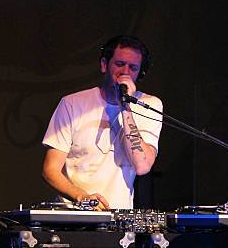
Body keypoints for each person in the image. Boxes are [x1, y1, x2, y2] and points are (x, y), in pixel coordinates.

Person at [42, 35, 162, 210]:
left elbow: (142, 166)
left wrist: (125, 106)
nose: (125, 72)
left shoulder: (150, 105)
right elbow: (50, 170)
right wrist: (83, 198)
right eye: (120, 64)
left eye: (133, 67)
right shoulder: (72, 104)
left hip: (119, 219)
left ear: (140, 73)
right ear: (104, 65)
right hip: (73, 215)